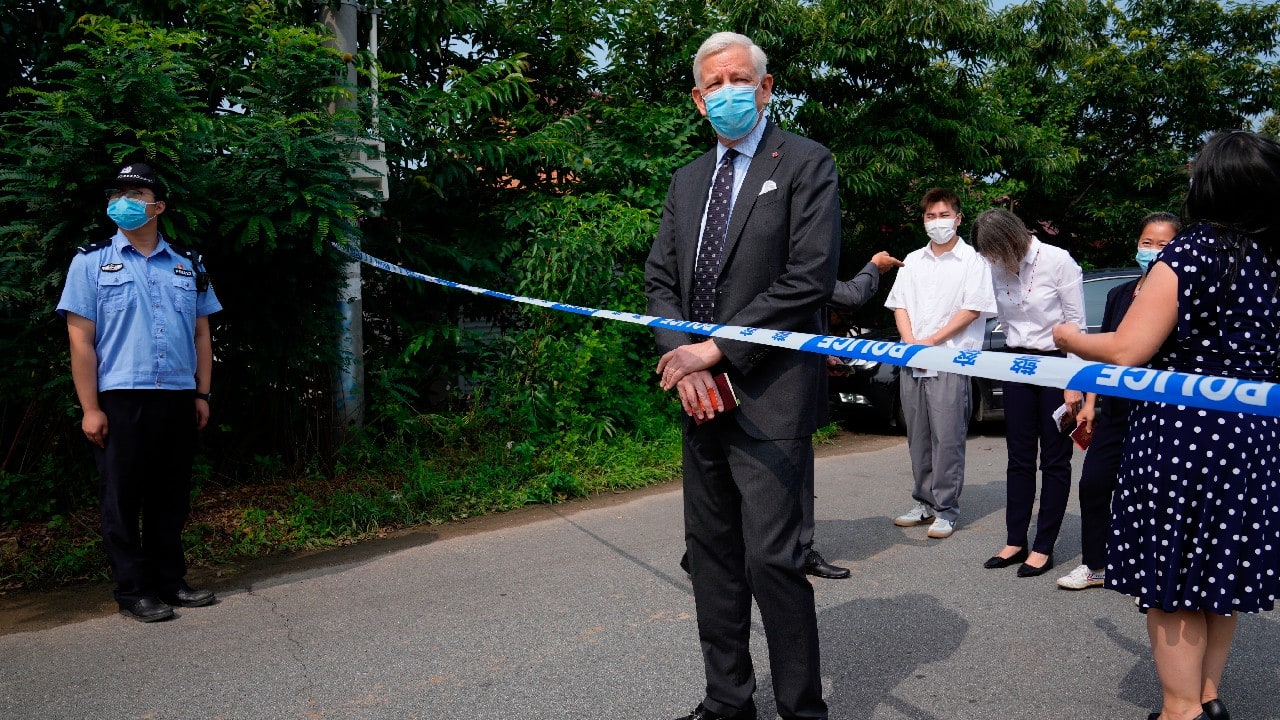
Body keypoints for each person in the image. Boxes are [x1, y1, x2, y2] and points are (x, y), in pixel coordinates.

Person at [1053, 130, 1280, 720]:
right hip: (1249, 436)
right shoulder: (1269, 259)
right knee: (1218, 572)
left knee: (1174, 581)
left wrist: (1068, 338)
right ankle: (1207, 700)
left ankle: (1179, 711)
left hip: (1183, 437)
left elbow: (1129, 347)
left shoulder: (1189, 253)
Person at [645, 31, 837, 720]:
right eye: (713, 83)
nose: (729, 91)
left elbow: (807, 278)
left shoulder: (806, 164)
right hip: (699, 397)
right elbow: (660, 281)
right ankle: (727, 701)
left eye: (740, 79)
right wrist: (682, 357)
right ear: (699, 101)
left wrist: (716, 350)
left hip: (770, 398)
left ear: (766, 86)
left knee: (774, 564)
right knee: (713, 559)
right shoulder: (687, 180)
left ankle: (800, 709)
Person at [57, 162, 222, 623]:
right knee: (122, 498)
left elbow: (202, 336)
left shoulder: (189, 265)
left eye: (136, 192)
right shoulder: (90, 263)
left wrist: (202, 395)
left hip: (176, 396)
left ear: (159, 206)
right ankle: (133, 590)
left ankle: (170, 581)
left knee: (171, 495)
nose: (123, 201)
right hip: (121, 398)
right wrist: (90, 407)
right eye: (118, 193)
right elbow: (80, 340)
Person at [851, 188, 997, 539]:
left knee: (947, 437)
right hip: (912, 358)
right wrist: (911, 341)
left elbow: (972, 308)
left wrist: (931, 342)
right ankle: (924, 502)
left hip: (949, 358)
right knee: (918, 436)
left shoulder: (973, 261)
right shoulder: (913, 260)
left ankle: (946, 509)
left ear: (958, 218)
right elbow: (899, 303)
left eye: (944, 215)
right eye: (930, 216)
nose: (937, 222)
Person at [1056, 212, 1180, 592]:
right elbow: (1106, 354)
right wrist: (1092, 403)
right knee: (1094, 484)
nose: (1153, 251)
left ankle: (1151, 569)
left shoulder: (1181, 295)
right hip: (1114, 408)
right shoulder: (1119, 294)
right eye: (1147, 242)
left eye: (1163, 244)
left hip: (1161, 413)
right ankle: (1096, 564)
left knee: (1152, 495)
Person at [971, 208, 1084, 577]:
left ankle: (1044, 546)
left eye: (994, 252)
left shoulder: (1058, 261)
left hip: (1056, 363)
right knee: (1018, 456)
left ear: (1012, 239)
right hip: (1016, 363)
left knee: (1054, 458)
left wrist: (1073, 381)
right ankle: (1015, 539)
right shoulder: (996, 265)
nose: (992, 261)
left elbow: (1076, 324)